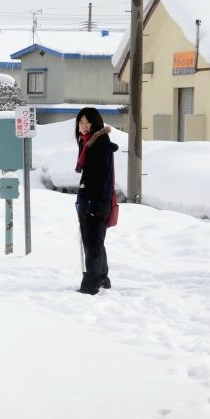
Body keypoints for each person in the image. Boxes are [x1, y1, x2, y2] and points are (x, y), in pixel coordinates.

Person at [74, 107, 118, 295]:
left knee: (92, 242)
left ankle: (91, 284)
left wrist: (95, 203)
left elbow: (103, 177)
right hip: (91, 200)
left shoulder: (99, 144)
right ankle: (102, 277)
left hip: (97, 202)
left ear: (95, 123)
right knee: (95, 241)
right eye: (80, 122)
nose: (83, 126)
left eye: (87, 122)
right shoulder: (87, 143)